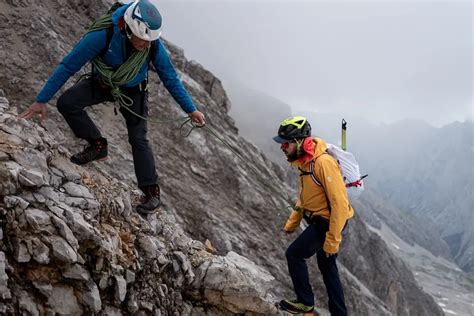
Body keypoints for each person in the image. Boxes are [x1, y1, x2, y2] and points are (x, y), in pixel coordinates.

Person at [19, 0, 205, 215]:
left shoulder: (153, 44)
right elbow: (69, 65)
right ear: (129, 29)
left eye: (150, 41)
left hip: (135, 90)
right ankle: (98, 145)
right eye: (143, 40)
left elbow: (170, 78)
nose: (147, 45)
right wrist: (42, 100)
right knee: (67, 103)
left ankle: (151, 192)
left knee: (138, 138)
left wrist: (191, 110)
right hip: (103, 83)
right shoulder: (102, 35)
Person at [274, 116, 353, 315]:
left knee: (294, 254)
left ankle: (305, 303)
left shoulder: (323, 163)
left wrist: (332, 240)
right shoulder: (304, 161)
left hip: (329, 221)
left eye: (285, 143)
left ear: (299, 142)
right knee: (327, 268)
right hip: (321, 219)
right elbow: (305, 197)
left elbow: (340, 205)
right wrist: (293, 221)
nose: (282, 147)